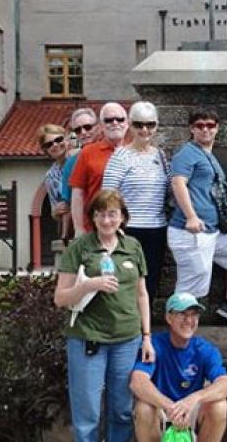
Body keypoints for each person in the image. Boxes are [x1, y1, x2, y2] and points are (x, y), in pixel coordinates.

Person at [54, 190, 152, 442]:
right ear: (93, 217)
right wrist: (88, 285)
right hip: (88, 340)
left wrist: (147, 336)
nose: (107, 219)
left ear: (122, 217)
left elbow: (141, 295)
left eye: (113, 214)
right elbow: (60, 298)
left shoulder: (133, 247)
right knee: (88, 417)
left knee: (122, 412)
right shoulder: (80, 248)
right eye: (101, 214)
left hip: (127, 340)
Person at [131, 292, 227, 442]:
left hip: (190, 411)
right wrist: (170, 406)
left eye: (194, 315)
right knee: (143, 408)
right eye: (182, 314)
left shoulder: (204, 349)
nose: (189, 320)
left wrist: (194, 398)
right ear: (169, 318)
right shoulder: (155, 345)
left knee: (219, 405)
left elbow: (226, 385)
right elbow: (137, 382)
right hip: (162, 408)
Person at [166, 107, 227, 307]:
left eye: (210, 125)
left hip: (212, 232)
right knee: (189, 292)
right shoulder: (186, 154)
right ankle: (177, 336)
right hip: (192, 232)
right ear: (191, 129)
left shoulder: (207, 155)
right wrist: (191, 216)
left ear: (217, 128)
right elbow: (178, 183)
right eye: (199, 126)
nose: (205, 129)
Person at [102, 101, 169, 302]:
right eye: (139, 124)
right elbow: (107, 197)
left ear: (157, 125)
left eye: (150, 124)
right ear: (130, 125)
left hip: (156, 229)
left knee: (150, 283)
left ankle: (145, 330)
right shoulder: (120, 157)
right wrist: (114, 229)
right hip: (128, 230)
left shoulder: (160, 156)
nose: (145, 130)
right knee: (126, 283)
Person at [70, 102, 129, 233]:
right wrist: (79, 229)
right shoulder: (88, 153)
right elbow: (77, 194)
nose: (115, 123)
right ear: (101, 126)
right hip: (97, 227)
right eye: (108, 120)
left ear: (127, 123)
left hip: (132, 227)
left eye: (120, 119)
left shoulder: (134, 151)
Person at [58, 107, 101, 240]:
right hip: (88, 232)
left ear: (98, 127)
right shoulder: (71, 163)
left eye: (88, 127)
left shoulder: (114, 152)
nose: (83, 132)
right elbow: (68, 203)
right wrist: (65, 236)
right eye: (78, 130)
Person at [39, 123, 71, 245]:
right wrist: (56, 211)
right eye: (49, 144)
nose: (55, 145)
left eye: (58, 140)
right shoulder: (51, 176)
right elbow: (54, 211)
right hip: (70, 226)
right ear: (45, 150)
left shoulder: (80, 158)